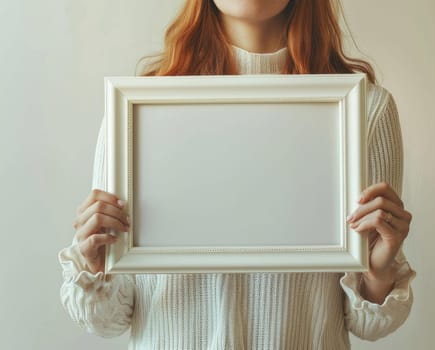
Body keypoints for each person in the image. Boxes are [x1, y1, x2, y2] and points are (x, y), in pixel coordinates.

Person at [58, 0, 416, 348]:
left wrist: (380, 270)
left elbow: (366, 325)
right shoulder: (139, 110)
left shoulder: (364, 111)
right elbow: (106, 320)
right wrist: (94, 263)